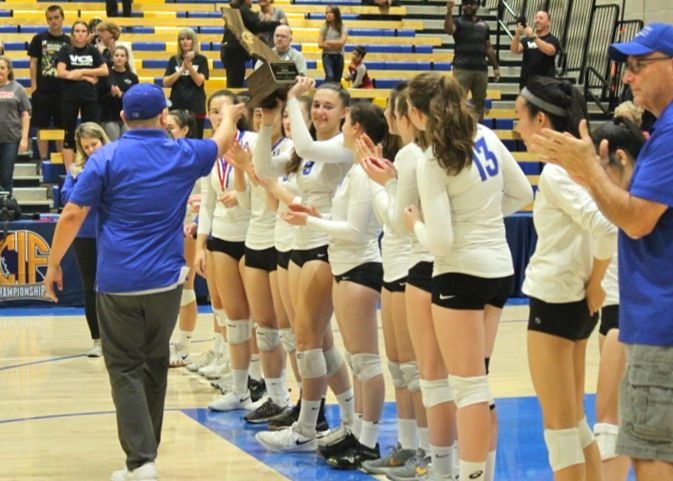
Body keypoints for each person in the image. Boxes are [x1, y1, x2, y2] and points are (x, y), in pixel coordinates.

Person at [43, 82, 245, 481]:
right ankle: (145, 453)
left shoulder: (107, 157)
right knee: (154, 365)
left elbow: (71, 215)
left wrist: (52, 265)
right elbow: (221, 141)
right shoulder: (182, 152)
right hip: (167, 282)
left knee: (124, 369)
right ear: (165, 116)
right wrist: (235, 114)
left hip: (118, 282)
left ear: (122, 118)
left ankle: (141, 460)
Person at [529, 23, 673, 481]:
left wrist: (587, 168)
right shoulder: (660, 135)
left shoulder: (668, 138)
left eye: (639, 65)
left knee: (649, 454)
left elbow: (631, 221)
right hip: (637, 312)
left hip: (657, 320)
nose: (628, 77)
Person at [407, 72, 532, 481]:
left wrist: (415, 226)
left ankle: (471, 475)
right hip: (500, 269)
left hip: (460, 273)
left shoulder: (433, 158)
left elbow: (440, 243)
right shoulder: (487, 136)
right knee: (479, 383)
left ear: (419, 114)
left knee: (468, 389)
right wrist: (480, 220)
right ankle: (485, 474)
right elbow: (523, 195)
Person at [515, 76, 615, 481]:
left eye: (520, 117)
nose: (516, 126)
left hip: (557, 301)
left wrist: (596, 280)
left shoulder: (557, 173)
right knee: (573, 422)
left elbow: (606, 228)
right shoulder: (577, 168)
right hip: (573, 303)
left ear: (541, 120)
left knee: (559, 430)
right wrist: (594, 281)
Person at [282, 102, 388, 469]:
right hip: (346, 267)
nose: (340, 127)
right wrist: (316, 216)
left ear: (357, 129)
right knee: (357, 362)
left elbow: (357, 231)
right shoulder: (355, 171)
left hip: (360, 268)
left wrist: (312, 225)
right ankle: (356, 430)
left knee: (367, 362)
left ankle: (368, 441)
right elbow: (343, 221)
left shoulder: (362, 173)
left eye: (345, 122)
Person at [254, 78, 354, 454]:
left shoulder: (342, 146)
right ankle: (350, 418)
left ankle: (306, 428)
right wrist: (267, 122)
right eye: (317, 105)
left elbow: (307, 143)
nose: (320, 111)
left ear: (345, 112)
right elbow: (264, 166)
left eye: (328, 106)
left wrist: (292, 99)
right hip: (298, 242)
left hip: (323, 243)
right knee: (316, 339)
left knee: (309, 340)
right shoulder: (305, 151)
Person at [590, 118, 644, 481]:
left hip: (631, 315)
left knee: (610, 425)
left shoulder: (642, 200)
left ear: (619, 158)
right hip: (617, 310)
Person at [60, 123, 110, 358]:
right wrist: (84, 183)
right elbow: (66, 197)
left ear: (102, 140)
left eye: (94, 144)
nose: (91, 150)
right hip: (84, 234)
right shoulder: (76, 169)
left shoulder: (115, 161)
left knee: (113, 287)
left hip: (110, 231)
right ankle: (97, 340)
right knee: (90, 287)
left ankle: (117, 340)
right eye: (86, 146)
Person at [56, 20, 109, 171]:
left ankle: (92, 168)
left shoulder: (92, 50)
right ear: (72, 34)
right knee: (69, 135)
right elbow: (61, 73)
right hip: (69, 98)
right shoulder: (66, 50)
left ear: (88, 35)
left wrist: (81, 72)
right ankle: (70, 172)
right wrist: (87, 77)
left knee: (91, 134)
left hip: (90, 98)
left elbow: (104, 70)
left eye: (83, 31)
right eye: (77, 31)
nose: (80, 34)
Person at [443, 0, 500, 120]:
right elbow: (449, 30)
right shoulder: (458, 22)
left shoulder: (484, 25)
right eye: (465, 3)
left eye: (471, 3)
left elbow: (488, 48)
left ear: (477, 5)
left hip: (481, 70)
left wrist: (495, 67)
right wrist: (449, 11)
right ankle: (458, 131)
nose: (468, 6)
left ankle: (478, 129)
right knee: (457, 101)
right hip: (462, 69)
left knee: (479, 103)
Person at [27, 5, 70, 161]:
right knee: (42, 125)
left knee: (61, 125)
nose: (54, 21)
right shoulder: (39, 39)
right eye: (50, 18)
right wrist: (34, 87)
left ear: (62, 18)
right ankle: (43, 159)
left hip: (64, 90)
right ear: (47, 20)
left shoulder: (69, 41)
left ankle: (59, 159)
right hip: (43, 90)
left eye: (56, 17)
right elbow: (33, 63)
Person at [221, 0, 280, 88]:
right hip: (235, 53)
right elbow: (256, 25)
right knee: (235, 83)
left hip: (229, 51)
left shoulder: (236, 10)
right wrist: (277, 23)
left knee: (233, 82)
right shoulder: (244, 10)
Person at [162, 28, 209, 139]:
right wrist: (181, 70)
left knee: (196, 140)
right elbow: (166, 82)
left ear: (193, 41)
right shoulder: (174, 59)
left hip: (196, 106)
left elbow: (199, 81)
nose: (185, 42)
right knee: (175, 139)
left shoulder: (201, 59)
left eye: (188, 39)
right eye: (182, 39)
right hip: (177, 106)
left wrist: (189, 67)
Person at [0, 56, 31, 195]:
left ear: (8, 70)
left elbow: (25, 114)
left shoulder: (18, 89)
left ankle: (5, 208)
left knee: (6, 176)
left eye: (2, 68)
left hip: (10, 139)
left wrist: (24, 138)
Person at [510, 10, 560, 89]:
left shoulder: (552, 40)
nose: (537, 20)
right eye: (536, 18)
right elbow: (514, 50)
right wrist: (517, 35)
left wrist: (534, 37)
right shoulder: (526, 39)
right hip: (527, 85)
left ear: (548, 22)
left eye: (541, 18)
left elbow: (550, 51)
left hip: (546, 85)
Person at [100, 45, 139, 141]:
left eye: (122, 56)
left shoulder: (132, 77)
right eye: (116, 55)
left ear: (126, 59)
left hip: (127, 117)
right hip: (109, 117)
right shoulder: (105, 74)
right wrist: (111, 94)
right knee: (113, 146)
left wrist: (121, 95)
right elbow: (98, 96)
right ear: (112, 58)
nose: (119, 58)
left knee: (126, 146)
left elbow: (134, 99)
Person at [319, 6, 348, 83]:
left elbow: (342, 42)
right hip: (327, 56)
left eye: (330, 12)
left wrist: (328, 42)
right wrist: (336, 45)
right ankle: (324, 92)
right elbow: (320, 44)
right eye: (326, 13)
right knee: (330, 76)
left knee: (337, 80)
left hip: (339, 56)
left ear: (336, 14)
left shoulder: (342, 27)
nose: (327, 15)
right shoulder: (324, 27)